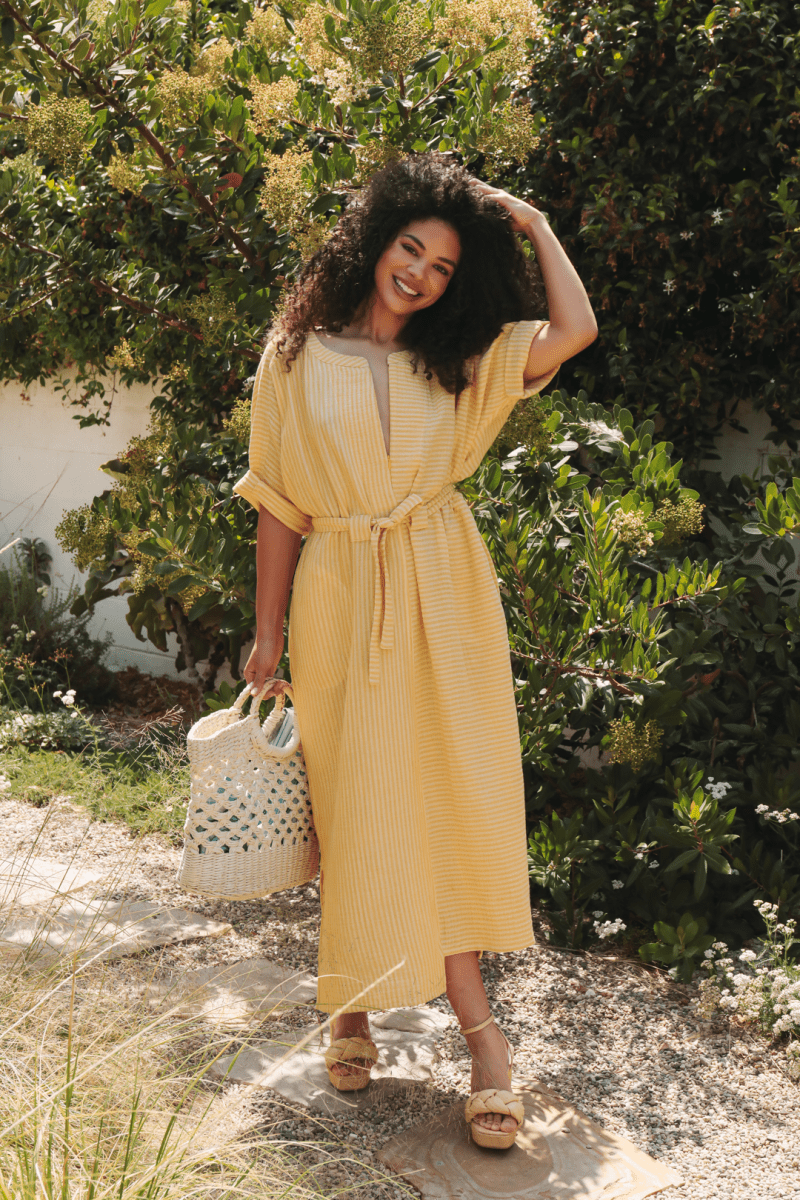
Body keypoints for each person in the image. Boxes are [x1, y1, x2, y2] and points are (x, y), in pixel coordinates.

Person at [235, 152, 597, 1149]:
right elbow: (277, 504)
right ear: (374, 239)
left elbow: (573, 329)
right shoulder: (293, 356)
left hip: (444, 588)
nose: (421, 276)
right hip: (340, 592)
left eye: (443, 266)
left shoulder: (462, 358)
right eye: (410, 250)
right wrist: (266, 632)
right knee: (355, 802)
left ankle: (483, 1041)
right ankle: (352, 1004)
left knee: (446, 798)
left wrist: (530, 222)